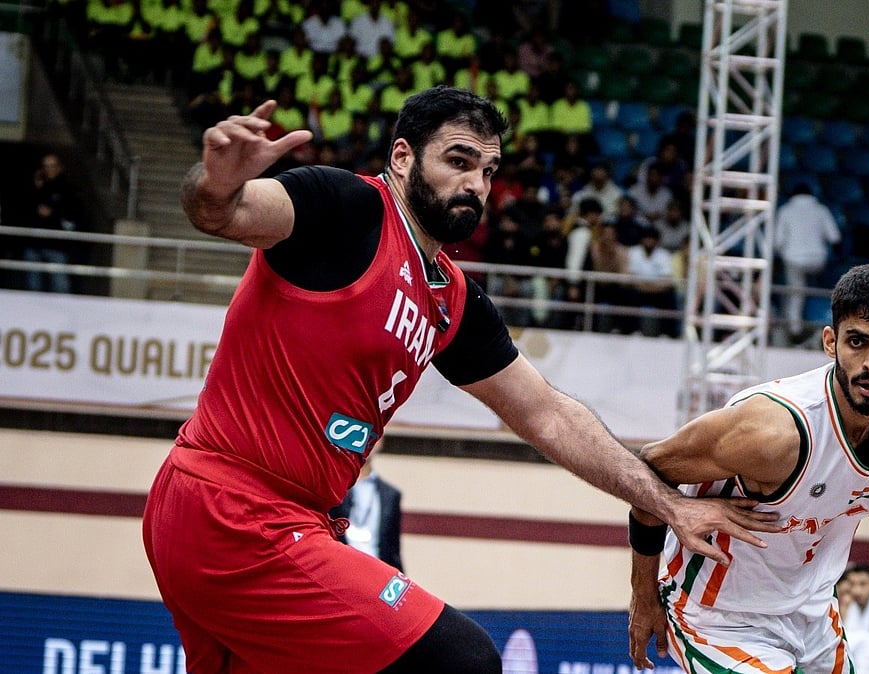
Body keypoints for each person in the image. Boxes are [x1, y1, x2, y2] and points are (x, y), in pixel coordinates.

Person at [143, 87, 776, 674]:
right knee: (462, 660)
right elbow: (226, 213)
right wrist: (217, 186)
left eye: (488, 172)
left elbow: (549, 415)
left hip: (269, 519)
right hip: (231, 510)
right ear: (403, 156)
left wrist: (669, 505)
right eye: (459, 161)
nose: (476, 184)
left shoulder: (454, 299)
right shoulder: (345, 208)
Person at [628, 261, 869, 673]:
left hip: (813, 611)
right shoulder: (773, 432)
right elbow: (648, 468)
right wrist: (643, 593)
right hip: (719, 616)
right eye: (857, 342)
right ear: (831, 342)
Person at [774, 182, 842, 343]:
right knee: (819, 286)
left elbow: (778, 242)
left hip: (794, 259)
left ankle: (794, 329)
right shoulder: (821, 209)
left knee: (795, 292)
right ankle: (824, 321)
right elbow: (835, 238)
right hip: (818, 260)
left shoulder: (785, 210)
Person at [20, 152, 84, 294]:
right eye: (46, 166)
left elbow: (73, 216)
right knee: (32, 286)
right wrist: (37, 187)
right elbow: (26, 209)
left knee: (60, 286)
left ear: (60, 167)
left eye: (52, 166)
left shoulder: (68, 189)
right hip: (34, 244)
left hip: (56, 245)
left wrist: (53, 213)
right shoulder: (36, 187)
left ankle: (61, 315)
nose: (49, 169)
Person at [329, 456, 405, 572]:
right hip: (340, 569)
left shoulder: (390, 494)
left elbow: (393, 549)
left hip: (377, 572)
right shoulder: (333, 486)